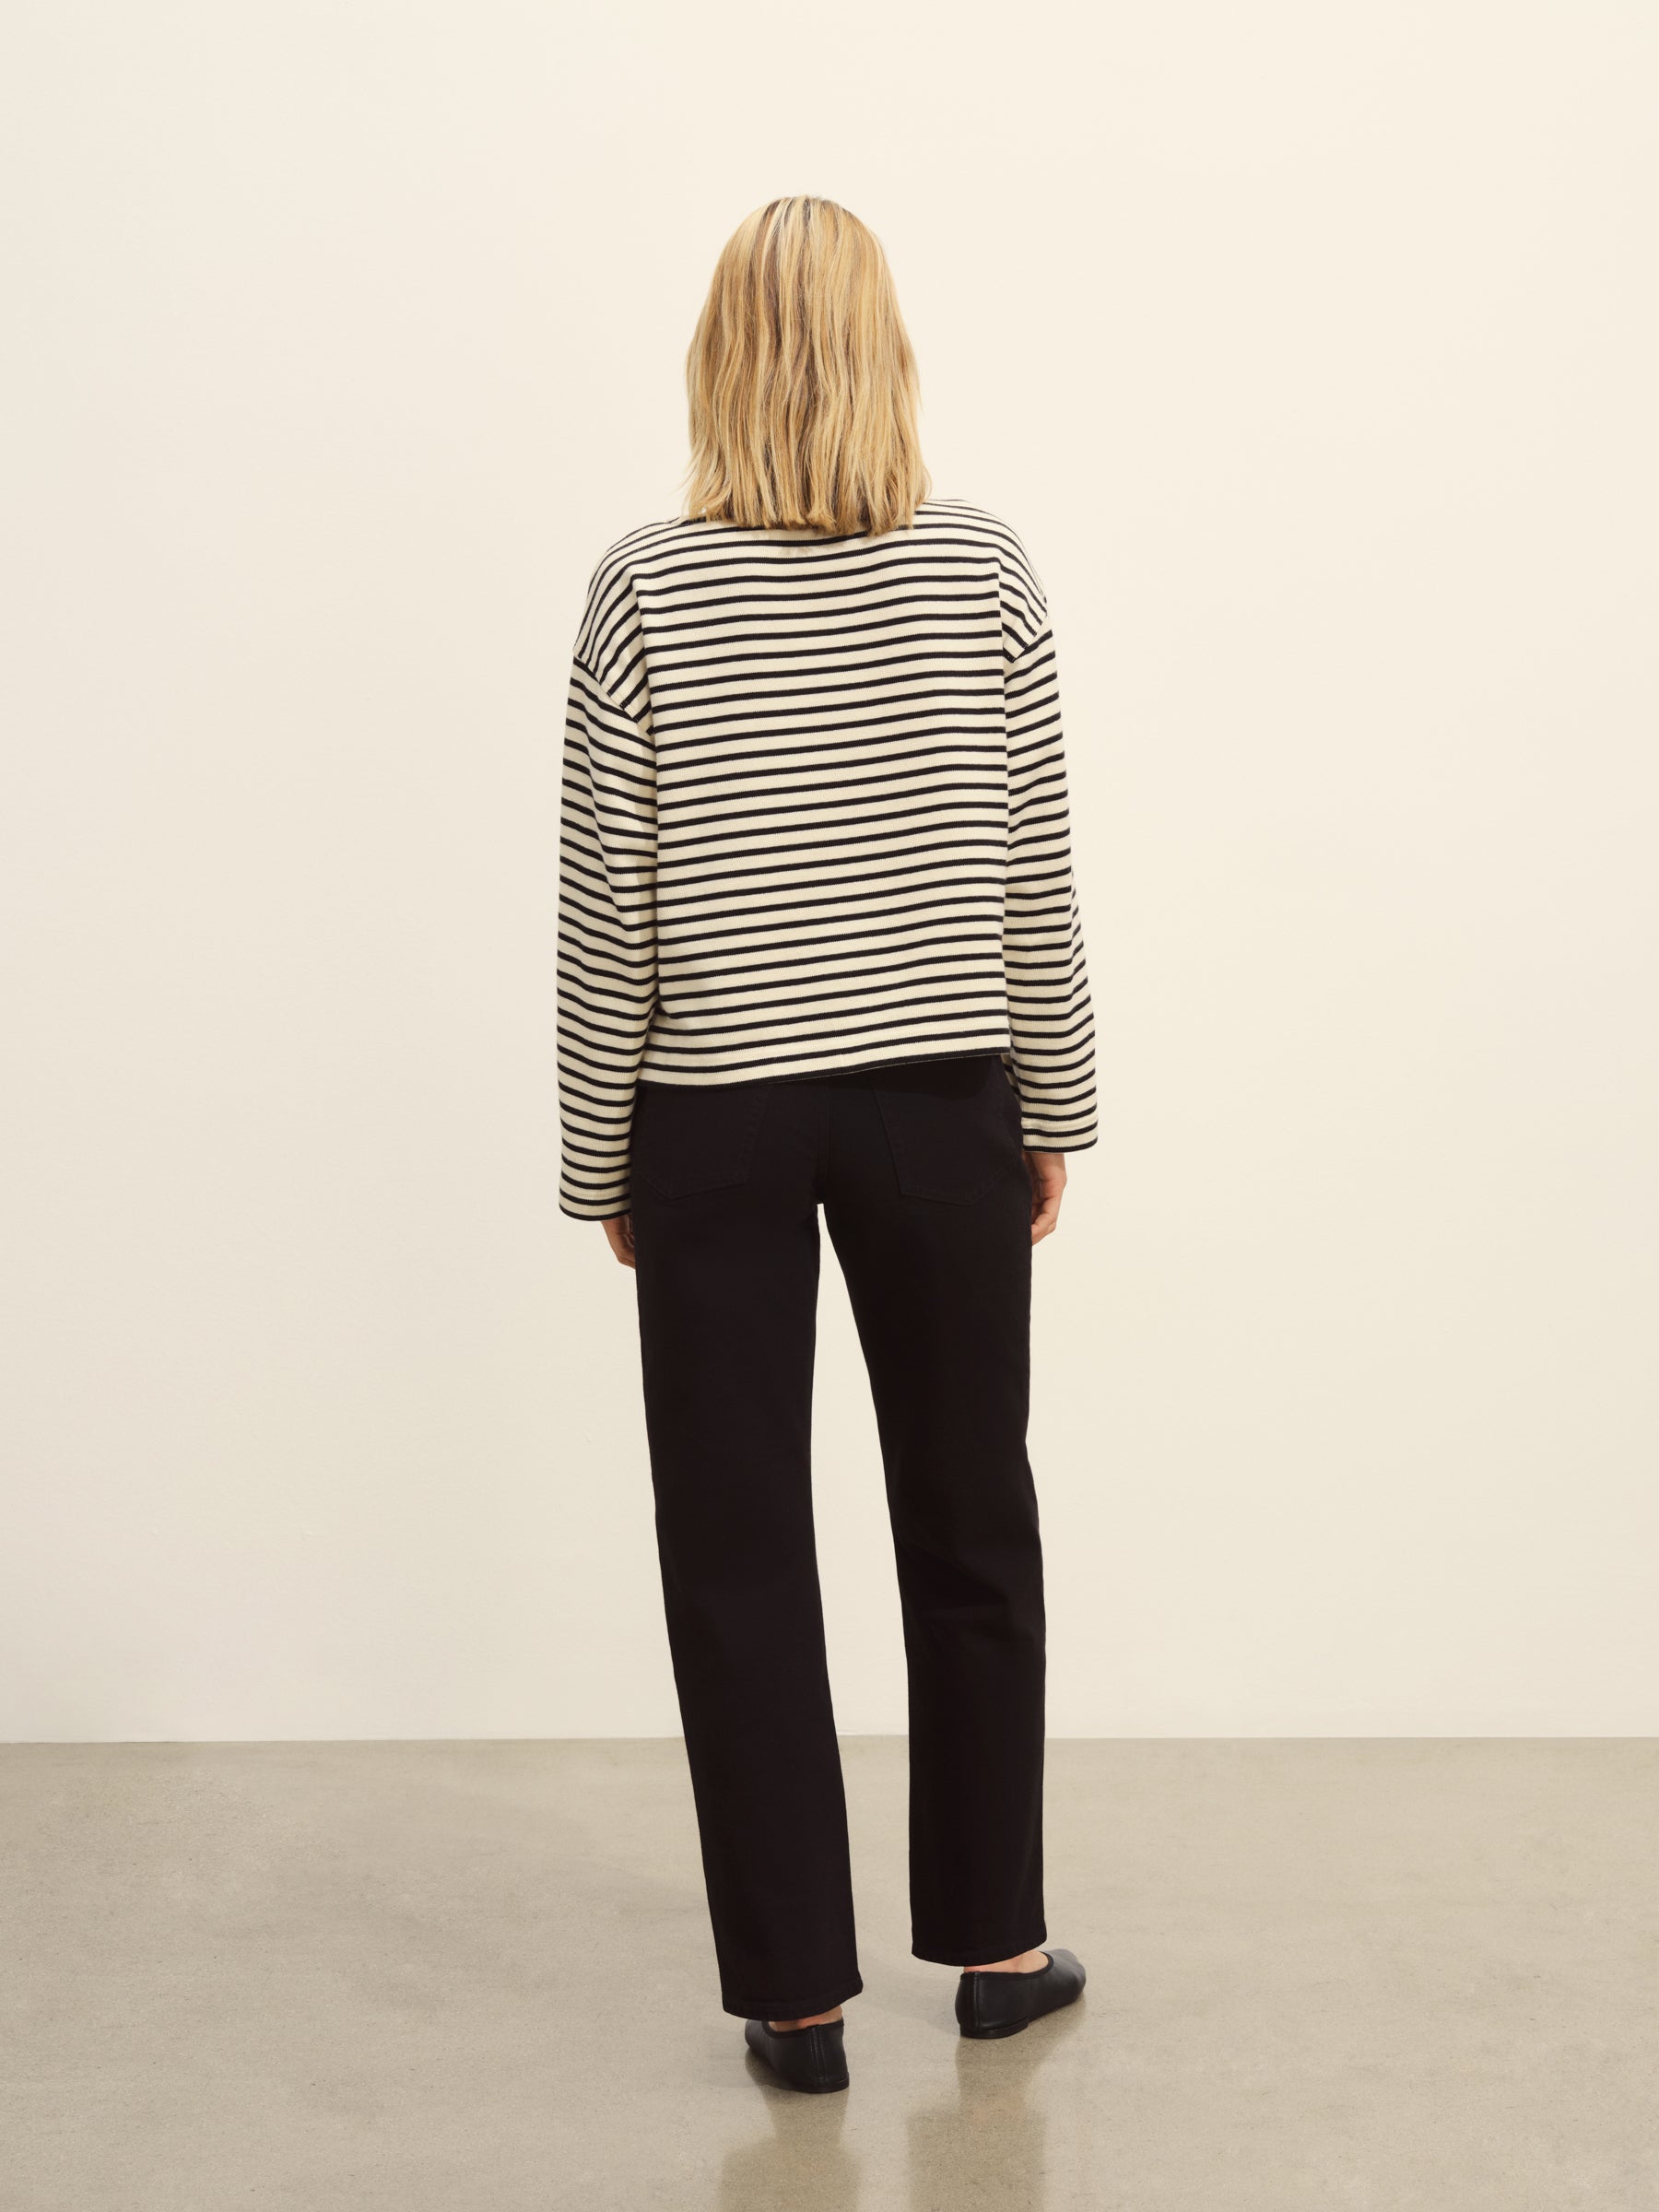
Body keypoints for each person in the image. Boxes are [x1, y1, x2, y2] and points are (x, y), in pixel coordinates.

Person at [556, 196, 1094, 2094]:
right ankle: (997, 1946)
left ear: (718, 354)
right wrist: (1056, 1109)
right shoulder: (982, 566)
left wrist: (599, 1156)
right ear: (888, 346)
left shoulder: (643, 585)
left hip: (714, 1113)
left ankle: (796, 1999)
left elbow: (609, 898)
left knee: (736, 1543)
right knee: (970, 1516)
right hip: (942, 1105)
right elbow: (1033, 867)